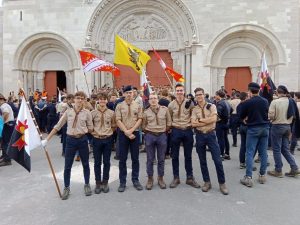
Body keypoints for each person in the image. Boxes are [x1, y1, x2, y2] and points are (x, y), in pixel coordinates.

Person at [41, 91, 93, 200]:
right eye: (78, 98)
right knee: (67, 166)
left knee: (85, 164)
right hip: (70, 140)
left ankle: (87, 184)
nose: (79, 100)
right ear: (74, 99)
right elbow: (58, 126)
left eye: (82, 98)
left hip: (82, 139)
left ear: (84, 100)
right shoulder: (68, 112)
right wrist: (47, 139)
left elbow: (91, 128)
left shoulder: (87, 113)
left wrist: (87, 137)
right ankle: (66, 187)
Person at [191, 87, 228, 195]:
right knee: (202, 161)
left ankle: (222, 183)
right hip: (199, 136)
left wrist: (200, 121)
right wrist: (205, 122)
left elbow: (214, 119)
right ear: (195, 97)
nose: (199, 96)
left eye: (200, 94)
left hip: (211, 135)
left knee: (217, 160)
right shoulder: (194, 109)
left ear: (204, 95)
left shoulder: (212, 106)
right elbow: (193, 123)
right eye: (197, 95)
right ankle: (207, 182)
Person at [168, 83, 200, 189]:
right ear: (175, 92)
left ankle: (189, 178)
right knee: (175, 156)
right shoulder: (171, 105)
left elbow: (193, 115)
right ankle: (176, 177)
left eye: (181, 90)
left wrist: (191, 125)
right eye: (177, 90)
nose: (179, 92)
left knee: (188, 156)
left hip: (187, 131)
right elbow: (169, 119)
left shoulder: (190, 103)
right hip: (176, 130)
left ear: (184, 91)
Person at [239, 82, 269, 187]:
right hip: (265, 127)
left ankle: (248, 177)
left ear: (250, 91)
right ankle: (262, 175)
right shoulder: (265, 101)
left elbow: (242, 115)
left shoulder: (248, 102)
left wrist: (246, 119)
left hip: (253, 128)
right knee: (263, 152)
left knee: (250, 152)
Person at [115, 85, 143, 192]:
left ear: (133, 93)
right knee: (122, 159)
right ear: (123, 94)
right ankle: (122, 182)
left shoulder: (138, 105)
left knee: (135, 158)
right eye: (127, 93)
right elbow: (118, 120)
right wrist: (126, 132)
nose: (129, 94)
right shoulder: (119, 105)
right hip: (123, 134)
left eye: (130, 93)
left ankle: (135, 180)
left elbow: (140, 119)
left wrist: (131, 131)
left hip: (135, 133)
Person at [267, 85, 300, 177]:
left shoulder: (275, 102)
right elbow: (294, 115)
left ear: (277, 92)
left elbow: (271, 116)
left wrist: (271, 119)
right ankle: (294, 168)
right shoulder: (291, 101)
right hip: (287, 127)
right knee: (285, 149)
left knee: (276, 149)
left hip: (277, 126)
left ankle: (278, 170)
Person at [142, 93, 172, 190]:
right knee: (150, 159)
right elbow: (143, 125)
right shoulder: (146, 112)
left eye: (155, 98)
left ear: (158, 100)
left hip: (161, 135)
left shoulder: (165, 110)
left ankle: (160, 178)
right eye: (151, 99)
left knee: (161, 159)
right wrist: (148, 133)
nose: (153, 100)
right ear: (149, 101)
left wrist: (163, 131)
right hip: (150, 135)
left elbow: (169, 122)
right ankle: (150, 179)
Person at [91, 93, 116, 194]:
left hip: (107, 139)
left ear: (107, 101)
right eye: (100, 99)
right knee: (97, 162)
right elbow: (90, 125)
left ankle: (105, 182)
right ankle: (98, 182)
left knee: (107, 162)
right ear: (98, 100)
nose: (102, 101)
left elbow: (114, 125)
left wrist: (108, 133)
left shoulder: (111, 113)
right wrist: (94, 133)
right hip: (96, 139)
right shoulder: (92, 113)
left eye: (104, 99)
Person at [215, 90, 231, 160]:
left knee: (220, 139)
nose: (215, 96)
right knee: (225, 138)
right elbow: (231, 110)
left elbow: (218, 113)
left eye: (216, 95)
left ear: (218, 95)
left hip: (221, 123)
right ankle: (227, 153)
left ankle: (221, 154)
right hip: (226, 123)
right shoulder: (227, 102)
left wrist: (216, 120)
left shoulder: (220, 103)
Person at [0, 94, 15, 167]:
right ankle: (4, 156)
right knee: (4, 141)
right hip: (9, 124)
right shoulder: (5, 105)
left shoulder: (3, 106)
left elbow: (6, 113)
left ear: (1, 99)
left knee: (5, 142)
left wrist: (2, 122)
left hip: (8, 124)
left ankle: (7, 159)